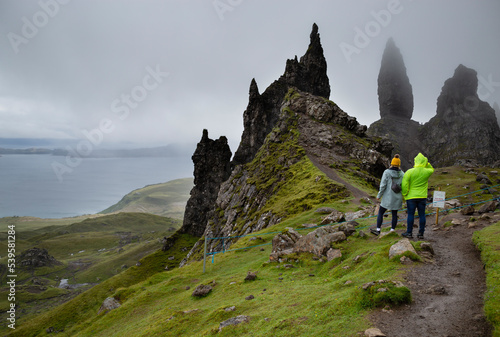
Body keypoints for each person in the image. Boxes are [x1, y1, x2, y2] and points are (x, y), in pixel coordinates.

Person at [401, 153, 434, 239]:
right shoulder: (427, 172)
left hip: (411, 197)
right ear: (424, 162)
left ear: (415, 161)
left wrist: (405, 194)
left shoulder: (409, 172)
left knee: (410, 215)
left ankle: (409, 233)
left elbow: (404, 184)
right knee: (422, 215)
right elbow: (431, 169)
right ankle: (421, 233)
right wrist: (426, 163)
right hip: (422, 197)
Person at [371, 154, 404, 236]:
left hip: (387, 197)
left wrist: (379, 195)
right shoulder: (402, 174)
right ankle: (392, 230)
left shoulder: (387, 172)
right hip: (397, 197)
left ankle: (378, 230)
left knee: (381, 212)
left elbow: (383, 185)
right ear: (399, 164)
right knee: (394, 214)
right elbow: (404, 185)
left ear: (391, 163)